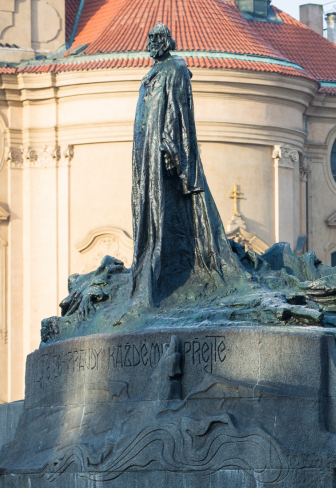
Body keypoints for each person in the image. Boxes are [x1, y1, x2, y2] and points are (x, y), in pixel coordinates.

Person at [131, 23, 246, 303]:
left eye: (158, 37)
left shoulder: (176, 67)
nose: (152, 42)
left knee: (168, 204)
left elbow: (177, 109)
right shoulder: (155, 71)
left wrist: (169, 143)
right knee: (149, 203)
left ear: (168, 41)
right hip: (146, 148)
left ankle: (173, 267)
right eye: (150, 37)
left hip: (161, 145)